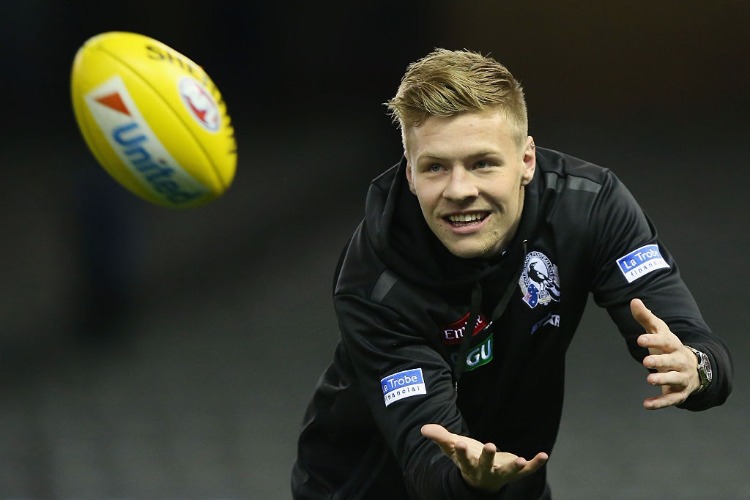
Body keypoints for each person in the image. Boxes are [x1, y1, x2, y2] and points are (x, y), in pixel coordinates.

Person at [291, 48, 733, 499]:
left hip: (512, 475)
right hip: (374, 487)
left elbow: (692, 340)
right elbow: (428, 463)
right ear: (409, 173)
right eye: (435, 167)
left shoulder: (590, 208)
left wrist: (698, 368)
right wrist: (469, 479)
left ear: (526, 161)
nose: (460, 190)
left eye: (483, 163)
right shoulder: (375, 280)